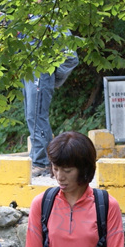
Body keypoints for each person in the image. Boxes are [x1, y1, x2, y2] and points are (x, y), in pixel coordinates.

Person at [23, 49, 78, 178]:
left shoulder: (54, 28)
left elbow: (71, 57)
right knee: (32, 117)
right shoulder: (25, 30)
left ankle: (42, 162)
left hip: (41, 73)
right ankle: (38, 159)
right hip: (28, 73)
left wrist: (52, 76)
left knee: (37, 117)